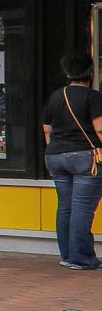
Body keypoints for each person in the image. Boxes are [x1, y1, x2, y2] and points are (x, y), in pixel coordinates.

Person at [41, 52, 102, 270]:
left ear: (67, 73)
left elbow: (47, 129)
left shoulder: (56, 96)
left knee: (65, 206)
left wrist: (57, 149)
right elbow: (100, 129)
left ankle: (67, 255)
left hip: (55, 156)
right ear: (90, 73)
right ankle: (81, 258)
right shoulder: (93, 97)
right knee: (82, 207)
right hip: (84, 157)